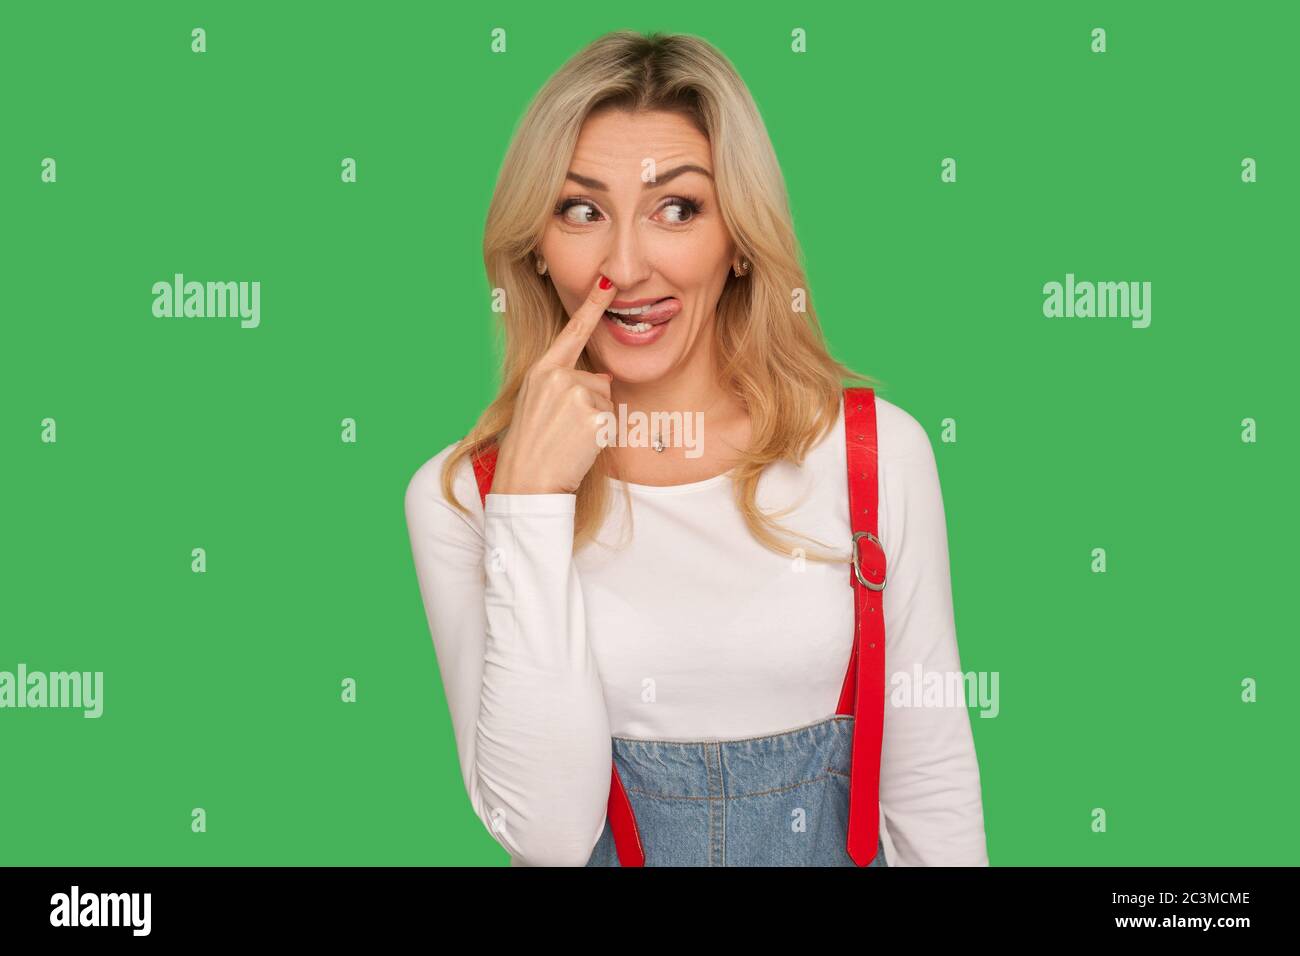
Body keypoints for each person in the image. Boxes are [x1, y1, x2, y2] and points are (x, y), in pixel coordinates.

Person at [405, 30, 988, 866]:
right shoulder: (461, 499)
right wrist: (530, 503)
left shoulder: (874, 456)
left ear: (739, 239)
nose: (627, 266)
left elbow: (931, 785)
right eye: (583, 210)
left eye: (677, 209)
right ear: (537, 241)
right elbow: (550, 835)